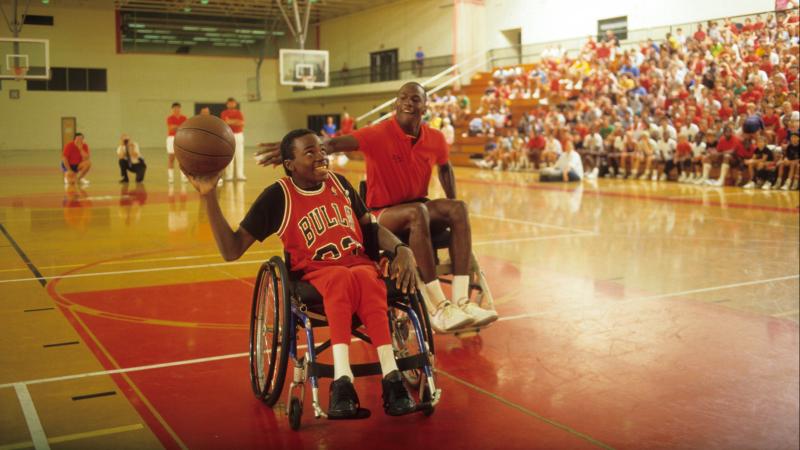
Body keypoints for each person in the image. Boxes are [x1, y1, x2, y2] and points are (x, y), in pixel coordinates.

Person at [188, 129, 418, 418]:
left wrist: (400, 249)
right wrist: (209, 196)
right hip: (317, 272)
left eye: (322, 149)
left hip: (358, 264)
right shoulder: (278, 196)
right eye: (310, 152)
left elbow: (371, 228)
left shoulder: (341, 184)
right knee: (342, 278)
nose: (321, 156)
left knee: (366, 277)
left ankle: (392, 377)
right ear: (290, 164)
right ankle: (342, 380)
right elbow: (231, 249)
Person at [257, 82, 497, 333]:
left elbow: (445, 169)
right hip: (383, 213)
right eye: (402, 97)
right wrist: (294, 150)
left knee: (458, 208)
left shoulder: (435, 138)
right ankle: (439, 306)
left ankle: (461, 301)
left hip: (418, 206)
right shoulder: (378, 133)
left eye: (415, 99)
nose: (407, 102)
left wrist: (451, 206)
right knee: (419, 213)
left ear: (425, 105)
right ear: (395, 104)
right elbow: (334, 144)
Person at [221, 97, 246, 182]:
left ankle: (240, 174)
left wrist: (231, 121)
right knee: (229, 155)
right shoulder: (224, 113)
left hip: (239, 135)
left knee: (239, 154)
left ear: (235, 104)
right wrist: (236, 121)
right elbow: (225, 122)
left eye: (233, 103)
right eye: (229, 103)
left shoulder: (239, 113)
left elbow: (242, 123)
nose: (231, 104)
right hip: (229, 135)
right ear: (227, 104)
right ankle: (229, 175)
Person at [166, 102, 187, 184]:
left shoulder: (184, 118)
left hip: (181, 138)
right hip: (171, 138)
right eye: (174, 108)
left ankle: (183, 177)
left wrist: (176, 127)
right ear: (172, 109)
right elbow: (171, 128)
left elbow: (184, 128)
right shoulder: (169, 118)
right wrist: (179, 127)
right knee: (171, 158)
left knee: (182, 158)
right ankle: (170, 178)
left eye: (178, 108)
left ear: (180, 109)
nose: (176, 110)